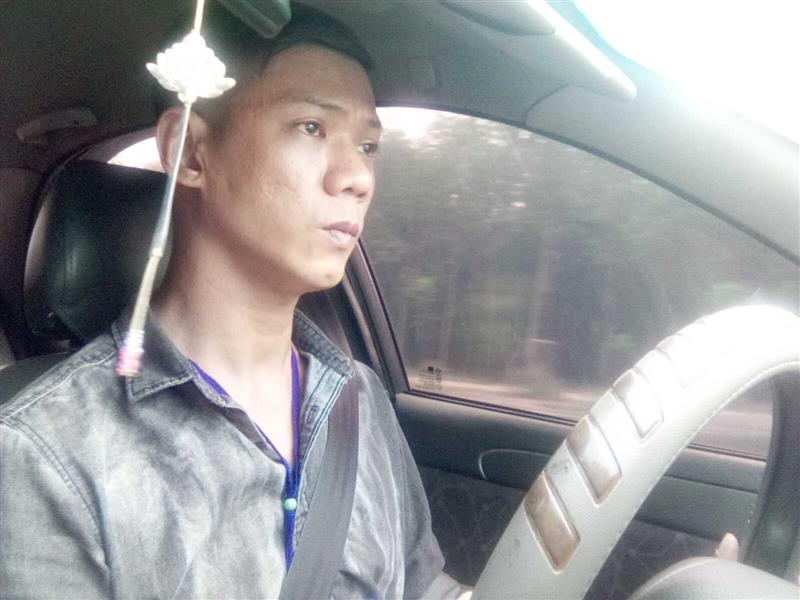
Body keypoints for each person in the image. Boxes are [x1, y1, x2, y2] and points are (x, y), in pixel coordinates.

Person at [0, 5, 465, 598]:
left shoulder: (357, 396)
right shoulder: (47, 455)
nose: (359, 177)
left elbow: (423, 586)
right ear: (192, 152)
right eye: (312, 128)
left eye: (369, 145)